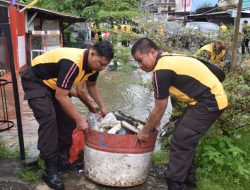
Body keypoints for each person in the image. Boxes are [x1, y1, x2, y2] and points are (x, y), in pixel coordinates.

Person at [131, 37, 228, 190]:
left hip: (209, 102)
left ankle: (175, 183)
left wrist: (144, 132)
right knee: (183, 134)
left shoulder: (161, 71)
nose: (140, 65)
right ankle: (189, 179)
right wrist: (153, 123)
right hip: (208, 99)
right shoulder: (169, 58)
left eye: (140, 60)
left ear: (151, 52)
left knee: (181, 141)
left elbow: (159, 108)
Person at [21, 40, 114, 190]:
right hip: (35, 80)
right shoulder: (73, 62)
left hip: (52, 84)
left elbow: (91, 85)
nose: (102, 68)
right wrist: (79, 119)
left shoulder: (93, 67)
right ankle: (49, 170)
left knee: (67, 121)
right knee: (49, 121)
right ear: (92, 53)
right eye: (101, 64)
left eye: (105, 65)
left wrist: (101, 107)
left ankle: (62, 161)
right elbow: (61, 96)